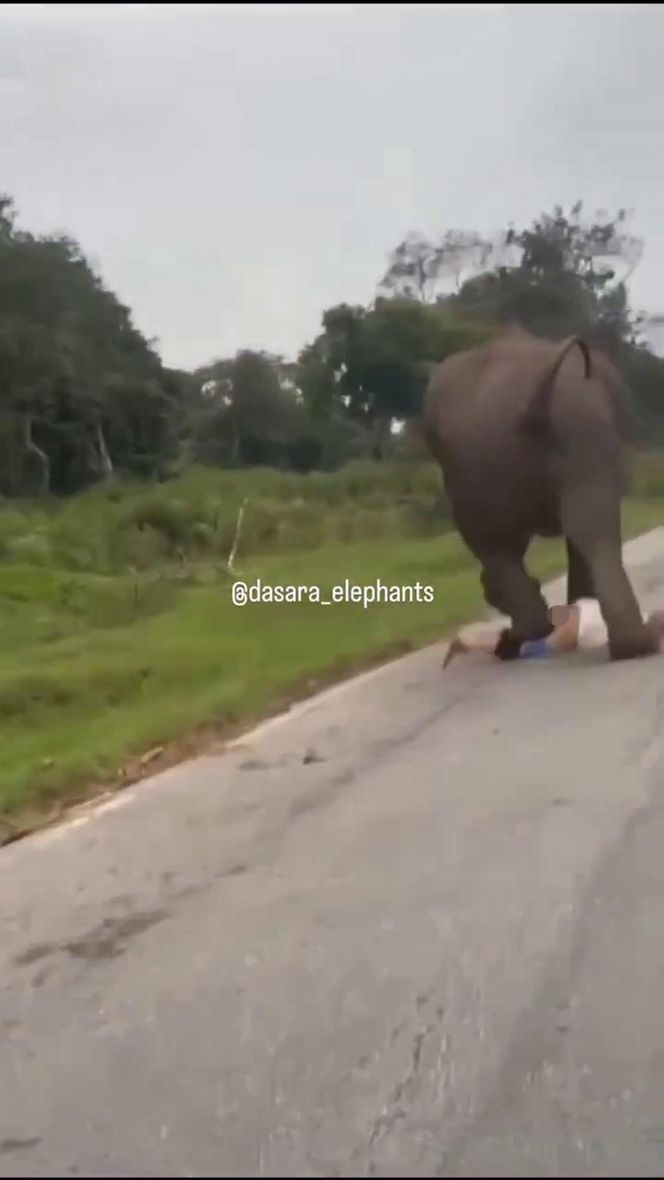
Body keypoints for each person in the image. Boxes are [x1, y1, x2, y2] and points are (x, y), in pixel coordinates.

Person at [443, 598, 664, 669]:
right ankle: (469, 640)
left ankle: (472, 638)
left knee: (522, 631)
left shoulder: (637, 617)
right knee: (517, 645)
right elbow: (568, 634)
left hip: (579, 612)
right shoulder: (640, 631)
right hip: (577, 621)